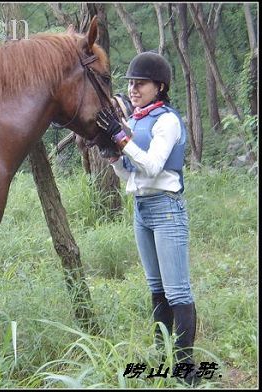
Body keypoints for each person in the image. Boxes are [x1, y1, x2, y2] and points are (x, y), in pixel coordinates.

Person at [96, 52, 198, 386]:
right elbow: (131, 172)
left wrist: (121, 138)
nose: (134, 88)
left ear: (160, 86)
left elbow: (153, 166)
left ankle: (186, 371)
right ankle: (162, 356)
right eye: (131, 83)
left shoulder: (166, 120)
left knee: (177, 291)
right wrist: (111, 152)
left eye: (141, 83)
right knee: (156, 289)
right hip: (141, 208)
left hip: (166, 207)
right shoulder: (139, 119)